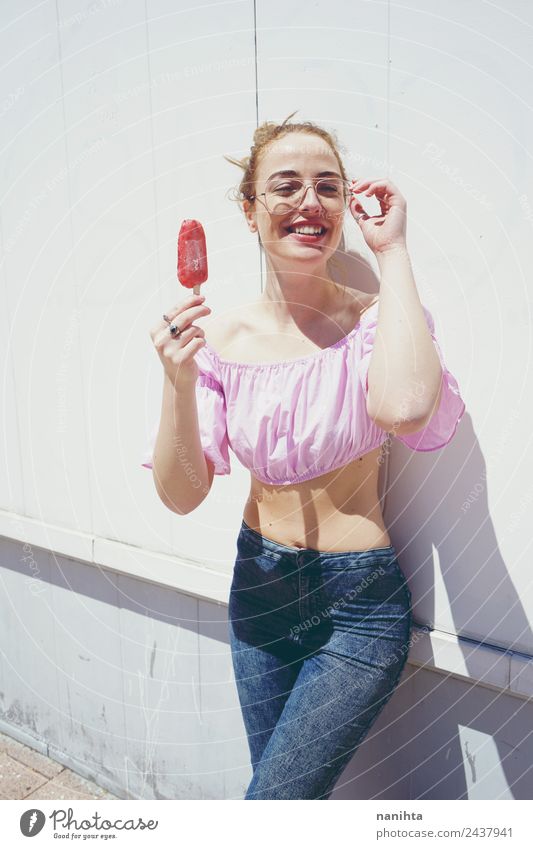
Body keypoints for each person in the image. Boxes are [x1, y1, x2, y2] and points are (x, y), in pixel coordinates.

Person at [142, 114, 466, 799]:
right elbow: (180, 492)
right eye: (284, 186)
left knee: (272, 807)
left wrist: (394, 250)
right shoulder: (217, 338)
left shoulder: (378, 318)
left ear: (347, 204)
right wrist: (176, 380)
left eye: (326, 186)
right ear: (249, 208)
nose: (307, 202)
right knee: (288, 809)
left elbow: (406, 407)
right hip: (258, 591)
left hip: (356, 604)